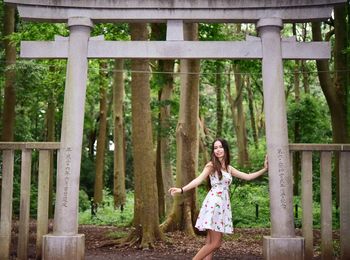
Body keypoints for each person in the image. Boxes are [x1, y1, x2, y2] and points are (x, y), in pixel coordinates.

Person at [168, 138, 268, 260]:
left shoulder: (229, 168)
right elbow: (198, 180)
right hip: (214, 204)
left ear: (225, 149)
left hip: (222, 205)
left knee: (209, 243)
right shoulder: (211, 165)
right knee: (216, 243)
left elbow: (247, 176)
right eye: (215, 148)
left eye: (220, 147)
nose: (218, 150)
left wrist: (265, 169)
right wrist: (181, 189)